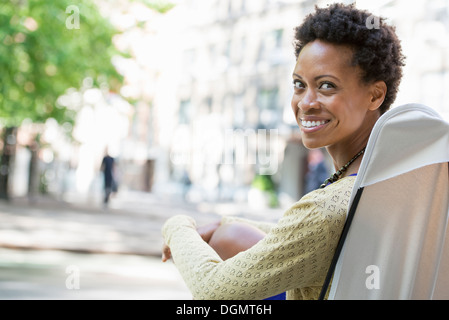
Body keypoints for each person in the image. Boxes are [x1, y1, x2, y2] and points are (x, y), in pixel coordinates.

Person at [162, 3, 405, 300]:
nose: (305, 102)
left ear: (375, 94)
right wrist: (228, 223)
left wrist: (177, 227)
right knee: (230, 235)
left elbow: (215, 290)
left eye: (327, 86)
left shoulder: (327, 209)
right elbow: (306, 237)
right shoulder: (399, 179)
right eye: (299, 85)